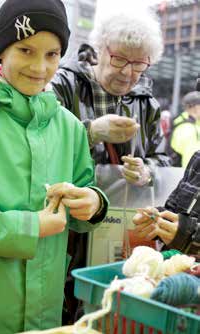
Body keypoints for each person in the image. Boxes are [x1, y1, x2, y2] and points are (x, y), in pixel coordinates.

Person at [0, 0, 109, 333]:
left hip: (46, 314)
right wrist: (30, 226)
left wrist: (93, 202)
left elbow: (83, 194)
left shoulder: (70, 128)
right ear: (1, 51)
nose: (40, 67)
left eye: (52, 54)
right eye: (25, 50)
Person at [51, 9, 170, 323]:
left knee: (113, 311)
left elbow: (162, 158)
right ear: (99, 50)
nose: (128, 74)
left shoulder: (147, 103)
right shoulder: (63, 83)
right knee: (66, 309)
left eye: (139, 64)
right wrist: (89, 132)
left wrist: (147, 171)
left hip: (123, 232)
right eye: (120, 59)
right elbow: (42, 146)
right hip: (69, 229)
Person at [133, 150, 200, 256]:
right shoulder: (198, 158)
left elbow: (184, 232)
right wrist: (155, 218)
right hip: (173, 264)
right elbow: (173, 209)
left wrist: (187, 236)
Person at [169, 91, 200, 167]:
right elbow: (190, 160)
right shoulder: (187, 129)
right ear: (196, 108)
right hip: (188, 176)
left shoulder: (193, 125)